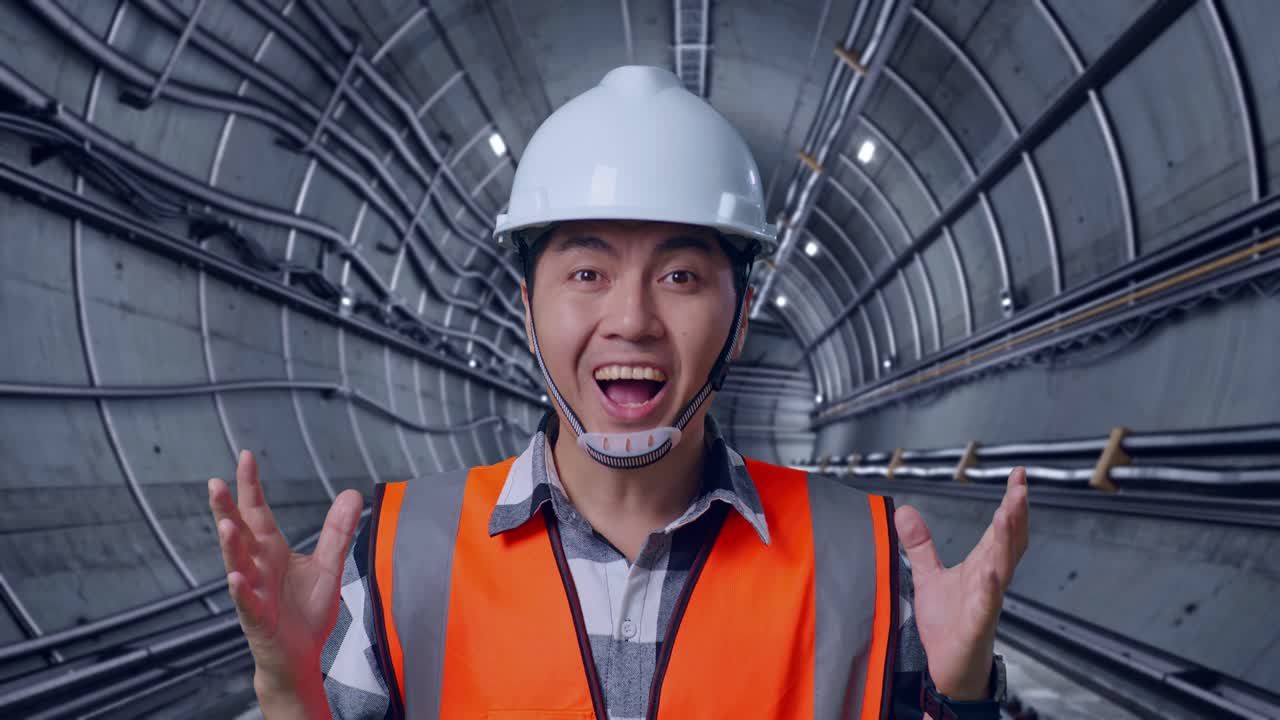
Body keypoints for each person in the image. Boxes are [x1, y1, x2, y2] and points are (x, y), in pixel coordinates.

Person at [208, 66, 1029, 719]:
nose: (631, 319)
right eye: (588, 273)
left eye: (679, 275)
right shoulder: (393, 556)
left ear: (741, 317)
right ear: (527, 313)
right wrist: (290, 691)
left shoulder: (867, 560)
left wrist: (964, 699)